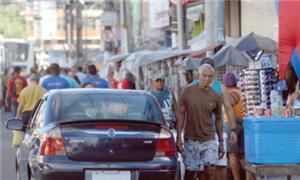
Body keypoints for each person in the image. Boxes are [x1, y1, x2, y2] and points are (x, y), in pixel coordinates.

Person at [177, 64, 224, 180]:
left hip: (208, 138)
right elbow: (181, 115)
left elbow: (218, 120)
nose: (207, 79)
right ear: (199, 75)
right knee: (190, 172)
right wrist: (179, 137)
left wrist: (221, 142)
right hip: (191, 138)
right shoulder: (187, 91)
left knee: (210, 169)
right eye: (204, 76)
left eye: (210, 76)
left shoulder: (215, 96)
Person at [222, 72, 245, 180]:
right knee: (242, 155)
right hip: (243, 126)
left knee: (232, 155)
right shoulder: (242, 92)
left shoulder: (230, 95)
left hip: (231, 127)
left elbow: (229, 113)